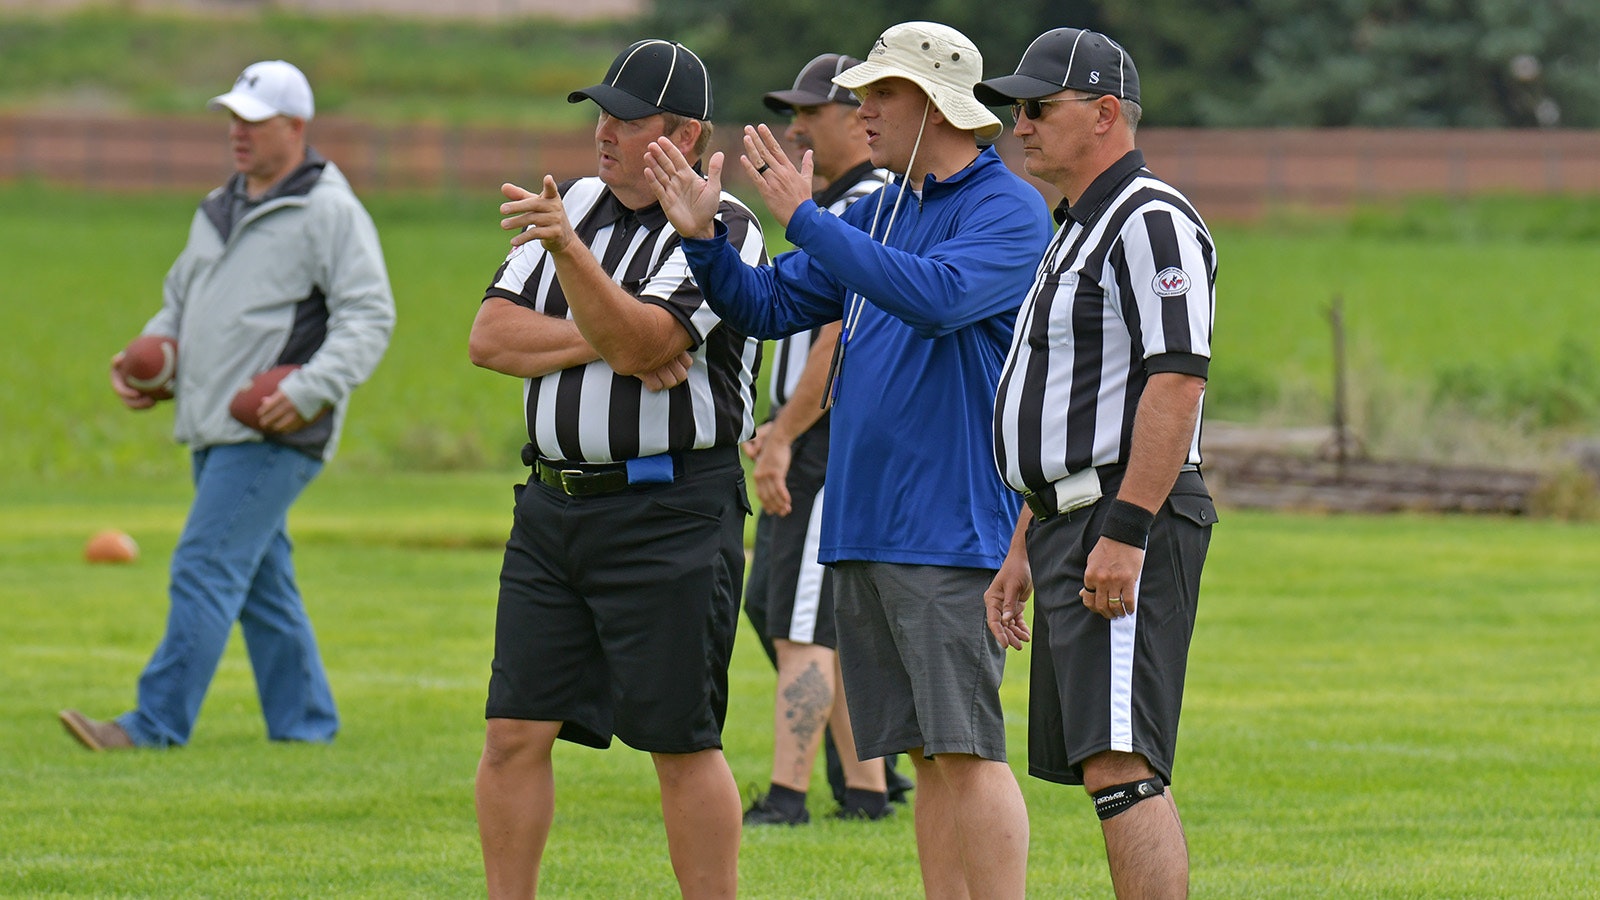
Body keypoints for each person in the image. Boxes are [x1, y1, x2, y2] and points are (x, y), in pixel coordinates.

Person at [645, 21, 1050, 898]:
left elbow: (937, 298)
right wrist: (705, 241)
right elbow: (766, 303)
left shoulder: (1005, 207)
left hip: (949, 527)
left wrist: (804, 219)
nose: (861, 110)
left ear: (937, 105)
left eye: (881, 94)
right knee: (926, 755)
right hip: (865, 523)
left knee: (969, 751)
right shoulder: (877, 211)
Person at [468, 39, 765, 900]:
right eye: (600, 114)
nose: (604, 133)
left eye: (627, 121)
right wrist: (609, 338)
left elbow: (648, 342)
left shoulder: (724, 227)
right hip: (553, 508)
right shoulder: (576, 206)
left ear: (684, 132)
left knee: (680, 740)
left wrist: (583, 284)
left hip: (671, 509)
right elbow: (491, 340)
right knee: (512, 732)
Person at [59, 60, 395, 752]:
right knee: (262, 584)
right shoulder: (217, 208)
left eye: (254, 121)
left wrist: (306, 391)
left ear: (296, 127)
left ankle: (151, 726)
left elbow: (369, 317)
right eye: (232, 120)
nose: (238, 134)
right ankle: (306, 728)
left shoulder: (330, 212)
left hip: (275, 431)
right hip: (211, 426)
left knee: (204, 564)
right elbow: (182, 306)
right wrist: (152, 359)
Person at [975, 28, 1219, 899]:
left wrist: (1126, 531)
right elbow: (1069, 410)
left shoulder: (1148, 219)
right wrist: (1021, 547)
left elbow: (1176, 380)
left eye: (1039, 107)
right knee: (1102, 762)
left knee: (1125, 764)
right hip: (1070, 517)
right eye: (1016, 109)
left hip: (1123, 516)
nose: (1020, 125)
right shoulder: (1075, 226)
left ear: (1105, 112)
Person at [738, 51, 902, 827]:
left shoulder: (866, 203)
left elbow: (838, 339)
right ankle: (868, 783)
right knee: (790, 608)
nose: (795, 125)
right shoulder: (843, 202)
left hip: (827, 441)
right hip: (810, 436)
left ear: (853, 116)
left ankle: (787, 795)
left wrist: (786, 434)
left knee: (801, 619)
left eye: (811, 111)